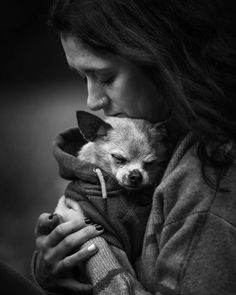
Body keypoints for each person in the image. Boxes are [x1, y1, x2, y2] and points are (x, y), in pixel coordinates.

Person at [33, 0, 236, 294]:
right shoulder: (178, 139)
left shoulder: (210, 179)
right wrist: (53, 269)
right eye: (83, 77)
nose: (93, 101)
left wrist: (93, 249)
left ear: (157, 58)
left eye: (105, 77)